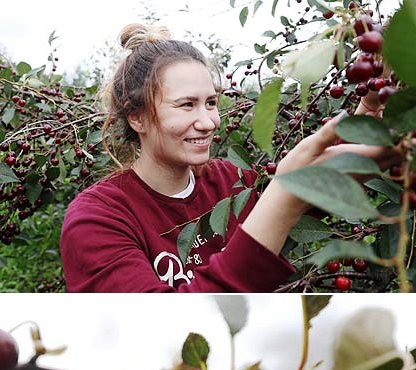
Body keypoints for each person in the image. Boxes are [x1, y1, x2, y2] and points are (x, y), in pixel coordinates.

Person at [60, 23, 389, 293]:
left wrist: (369, 112)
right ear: (138, 118)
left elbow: (314, 195)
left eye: (212, 103)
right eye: (186, 105)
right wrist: (285, 198)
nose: (208, 122)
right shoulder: (97, 220)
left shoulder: (231, 179)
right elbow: (161, 330)